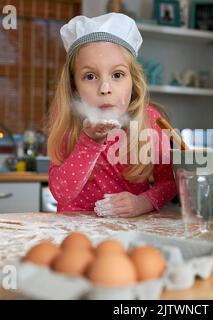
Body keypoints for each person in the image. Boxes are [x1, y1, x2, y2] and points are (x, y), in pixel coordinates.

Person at [47, 13, 178, 217]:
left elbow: (170, 182)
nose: (105, 88)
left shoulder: (149, 120)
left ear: (133, 82)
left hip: (130, 232)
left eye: (117, 75)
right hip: (74, 231)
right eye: (90, 76)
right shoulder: (69, 122)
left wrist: (142, 202)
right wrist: (89, 142)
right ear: (74, 88)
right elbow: (61, 193)